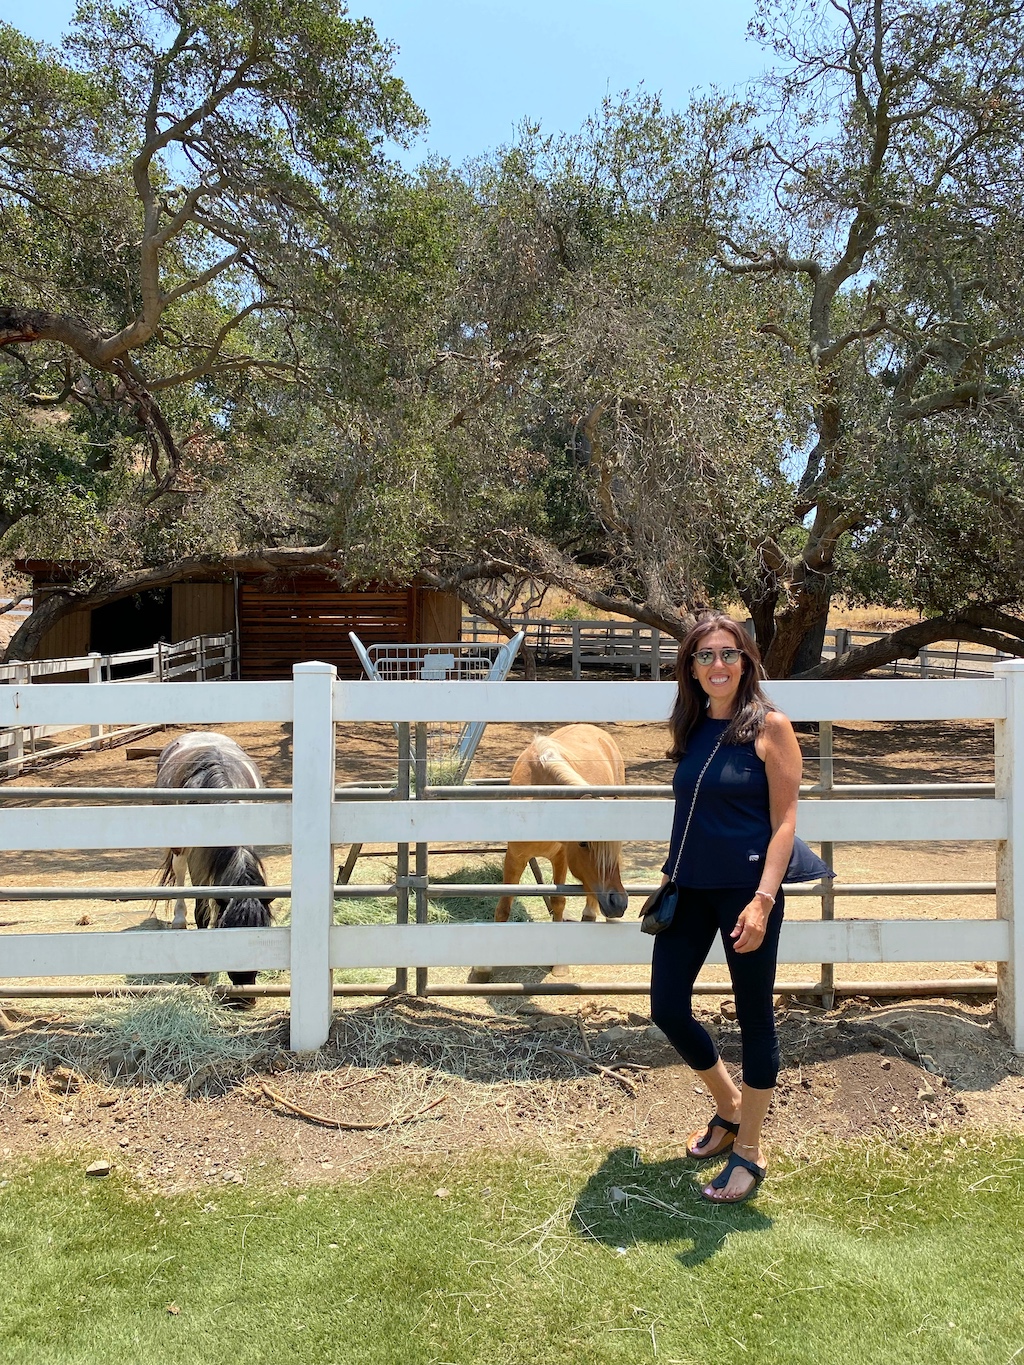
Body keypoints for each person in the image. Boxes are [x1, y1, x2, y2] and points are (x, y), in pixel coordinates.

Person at [650, 612, 803, 1203]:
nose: (718, 665)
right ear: (691, 667)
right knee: (667, 1006)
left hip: (747, 894)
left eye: (729, 654)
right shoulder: (691, 729)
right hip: (689, 888)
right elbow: (690, 814)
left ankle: (750, 1151)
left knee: (754, 1017)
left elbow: (785, 822)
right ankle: (730, 1105)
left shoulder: (771, 727)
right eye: (705, 655)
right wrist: (669, 875)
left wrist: (763, 902)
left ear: (747, 662)